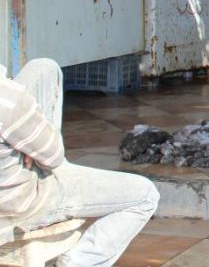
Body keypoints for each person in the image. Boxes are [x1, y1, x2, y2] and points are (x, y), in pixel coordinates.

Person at [0, 59, 159, 266]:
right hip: (21, 204)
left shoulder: (10, 97)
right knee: (146, 195)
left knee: (45, 68)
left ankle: (31, 141)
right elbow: (54, 158)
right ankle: (76, 263)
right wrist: (31, 141)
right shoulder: (9, 99)